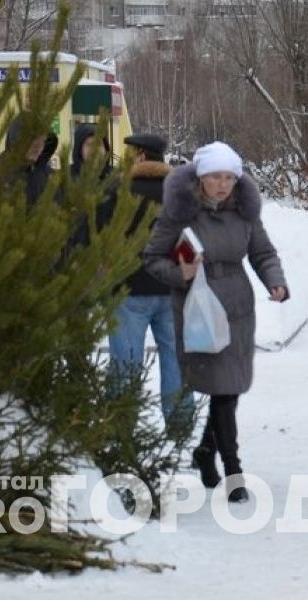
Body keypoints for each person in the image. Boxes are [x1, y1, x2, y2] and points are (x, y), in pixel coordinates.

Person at [143, 141, 289, 503]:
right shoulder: (180, 213)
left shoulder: (244, 212)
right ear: (200, 178)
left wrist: (276, 280)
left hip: (237, 308)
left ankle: (206, 452)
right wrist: (182, 273)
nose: (222, 185)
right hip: (197, 307)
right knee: (221, 390)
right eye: (214, 177)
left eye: (228, 177)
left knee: (229, 388)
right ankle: (234, 471)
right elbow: (151, 258)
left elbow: (263, 252)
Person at [107, 133, 195, 433]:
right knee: (175, 360)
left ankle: (121, 425)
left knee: (126, 362)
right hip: (171, 289)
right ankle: (180, 423)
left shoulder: (119, 190)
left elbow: (104, 235)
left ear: (141, 156)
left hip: (129, 289)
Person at [0, 115, 57, 207]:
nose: (38, 146)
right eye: (33, 139)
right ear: (16, 137)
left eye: (43, 140)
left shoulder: (51, 178)